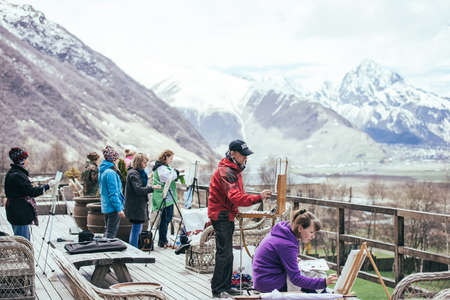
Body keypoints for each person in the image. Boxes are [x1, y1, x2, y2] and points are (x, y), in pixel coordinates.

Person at [208, 139, 272, 298]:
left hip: (225, 214)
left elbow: (235, 196)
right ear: (233, 153)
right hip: (221, 215)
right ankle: (218, 290)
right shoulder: (227, 171)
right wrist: (258, 197)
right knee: (224, 253)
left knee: (227, 253)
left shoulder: (233, 169)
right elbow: (236, 197)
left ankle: (226, 286)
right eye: (243, 155)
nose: (246, 158)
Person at [252, 209, 338, 293]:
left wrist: (291, 259)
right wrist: (324, 282)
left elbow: (276, 256)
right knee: (315, 285)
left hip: (264, 280)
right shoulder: (287, 244)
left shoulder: (283, 232)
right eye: (311, 232)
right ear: (300, 228)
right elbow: (296, 279)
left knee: (312, 276)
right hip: (270, 285)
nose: (313, 236)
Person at [4, 147, 56, 240]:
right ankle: (24, 255)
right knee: (23, 243)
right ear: (22, 160)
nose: (28, 161)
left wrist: (28, 183)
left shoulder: (14, 173)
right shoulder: (18, 175)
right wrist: (48, 186)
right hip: (19, 213)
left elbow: (21, 190)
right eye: (26, 159)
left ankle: (24, 254)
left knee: (21, 241)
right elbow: (31, 192)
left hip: (15, 211)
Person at [124, 153, 161, 248]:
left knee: (137, 229)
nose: (145, 165)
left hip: (137, 205)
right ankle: (133, 250)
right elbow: (139, 189)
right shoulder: (133, 174)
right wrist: (152, 188)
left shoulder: (135, 173)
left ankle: (133, 248)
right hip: (135, 206)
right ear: (139, 162)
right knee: (136, 229)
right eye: (144, 162)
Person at [151, 150, 183, 248]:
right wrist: (176, 173)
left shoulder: (163, 167)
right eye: (170, 158)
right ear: (165, 157)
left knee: (167, 218)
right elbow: (168, 177)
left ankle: (163, 239)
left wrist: (175, 172)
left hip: (167, 196)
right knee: (165, 218)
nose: (171, 161)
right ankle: (162, 240)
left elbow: (171, 174)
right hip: (163, 196)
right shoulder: (161, 168)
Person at [99, 145, 125, 238]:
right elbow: (113, 193)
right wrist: (119, 209)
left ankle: (104, 248)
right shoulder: (110, 173)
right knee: (111, 233)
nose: (118, 160)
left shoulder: (103, 171)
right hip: (113, 207)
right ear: (113, 160)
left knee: (108, 230)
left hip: (106, 206)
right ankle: (106, 249)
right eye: (117, 159)